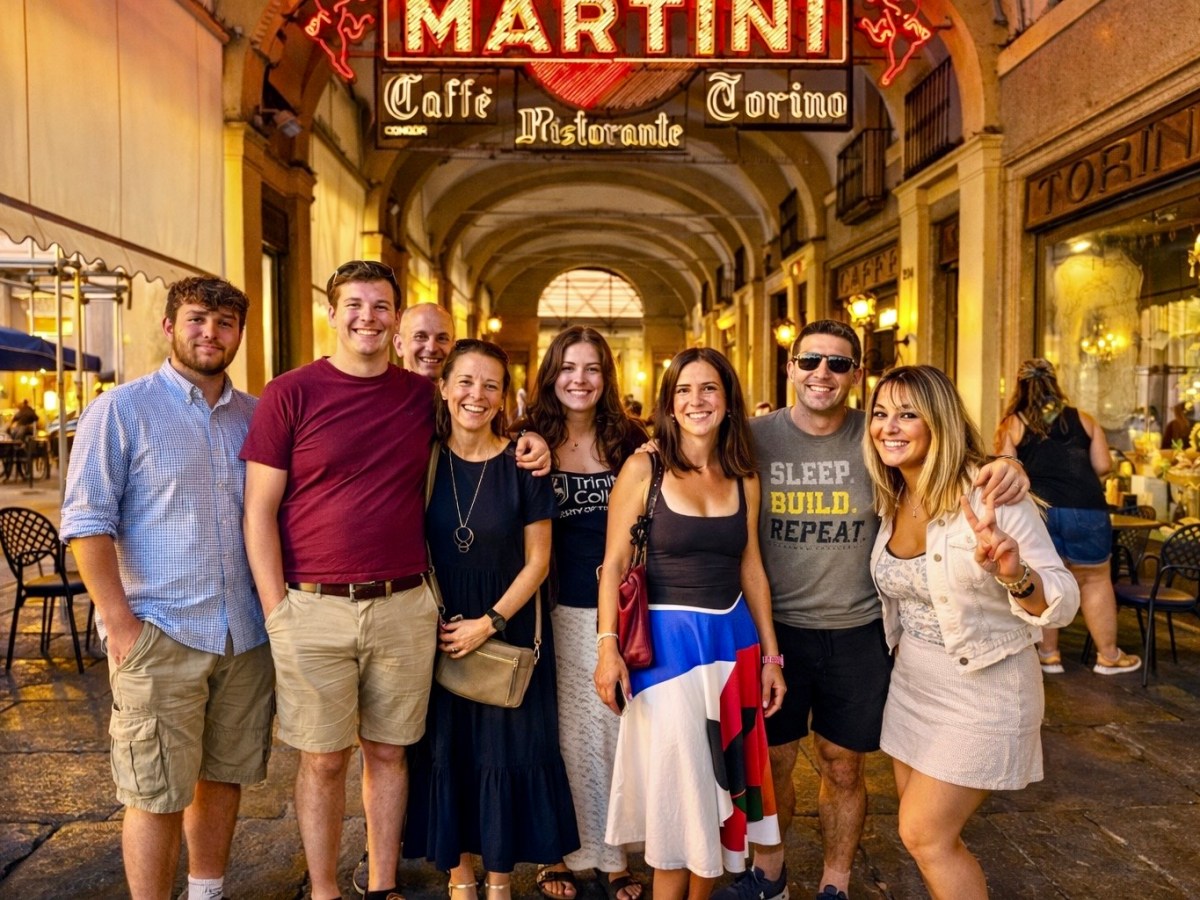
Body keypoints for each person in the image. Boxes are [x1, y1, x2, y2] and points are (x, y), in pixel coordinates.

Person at [723, 319, 1028, 900]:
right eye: (810, 361)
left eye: (838, 364)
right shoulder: (752, 437)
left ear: (857, 376)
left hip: (859, 630)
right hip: (775, 629)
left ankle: (835, 884)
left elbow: (954, 458)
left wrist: (1010, 466)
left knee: (843, 766)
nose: (822, 374)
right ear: (789, 367)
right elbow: (686, 453)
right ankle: (770, 873)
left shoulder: (881, 435)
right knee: (775, 764)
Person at [61, 276, 274, 900]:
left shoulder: (257, 417)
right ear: (169, 326)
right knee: (153, 789)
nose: (211, 332)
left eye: (226, 322)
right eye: (198, 319)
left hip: (242, 633)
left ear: (240, 332)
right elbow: (86, 520)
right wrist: (119, 622)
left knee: (223, 775)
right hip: (161, 631)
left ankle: (207, 893)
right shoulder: (120, 409)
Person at [242, 260, 441, 900]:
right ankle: (325, 888)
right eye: (354, 304)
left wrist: (532, 446)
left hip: (404, 604)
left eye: (381, 306)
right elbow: (258, 511)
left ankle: (381, 882)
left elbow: (477, 445)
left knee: (388, 753)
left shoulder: (419, 396)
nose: (367, 317)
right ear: (331, 312)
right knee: (323, 760)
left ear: (395, 319)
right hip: (313, 606)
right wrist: (278, 610)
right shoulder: (291, 392)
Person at [864, 365, 1080, 898]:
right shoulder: (891, 493)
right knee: (923, 840)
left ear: (938, 421)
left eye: (908, 414)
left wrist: (1016, 575)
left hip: (985, 687)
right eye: (880, 414)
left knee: (926, 835)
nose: (889, 427)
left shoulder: (989, 494)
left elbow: (1063, 599)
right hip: (913, 686)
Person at [595, 347, 786, 900]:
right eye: (683, 390)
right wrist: (608, 649)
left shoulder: (743, 475)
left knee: (716, 802)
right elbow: (614, 566)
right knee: (681, 800)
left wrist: (772, 657)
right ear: (669, 402)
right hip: (667, 650)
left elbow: (751, 566)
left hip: (735, 644)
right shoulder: (644, 467)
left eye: (708, 389)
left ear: (728, 400)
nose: (696, 401)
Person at [404, 339, 580, 898]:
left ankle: (500, 882)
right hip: (437, 628)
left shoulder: (524, 464)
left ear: (505, 396)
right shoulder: (423, 457)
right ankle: (460, 880)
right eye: (465, 382)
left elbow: (539, 562)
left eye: (490, 385)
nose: (475, 395)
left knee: (506, 754)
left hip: (504, 629)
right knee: (445, 753)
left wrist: (490, 622)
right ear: (444, 386)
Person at [520, 326, 648, 900]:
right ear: (551, 374)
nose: (580, 380)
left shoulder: (632, 441)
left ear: (607, 377)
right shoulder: (527, 440)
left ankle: (616, 855)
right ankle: (563, 854)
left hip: (621, 610)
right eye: (569, 368)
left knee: (619, 733)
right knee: (564, 738)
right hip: (552, 611)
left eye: (592, 369)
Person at [996, 358, 1141, 676]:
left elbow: (1005, 467)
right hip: (1086, 508)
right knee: (1095, 580)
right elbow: (1103, 465)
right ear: (1055, 384)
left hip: (1040, 510)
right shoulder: (1084, 419)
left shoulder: (1013, 424)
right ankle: (1108, 656)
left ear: (1021, 387)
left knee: (1045, 577)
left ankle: (1049, 654)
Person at [395, 301, 454, 380]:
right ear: (399, 345)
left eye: (442, 338)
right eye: (420, 337)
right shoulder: (383, 392)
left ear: (453, 348)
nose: (432, 348)